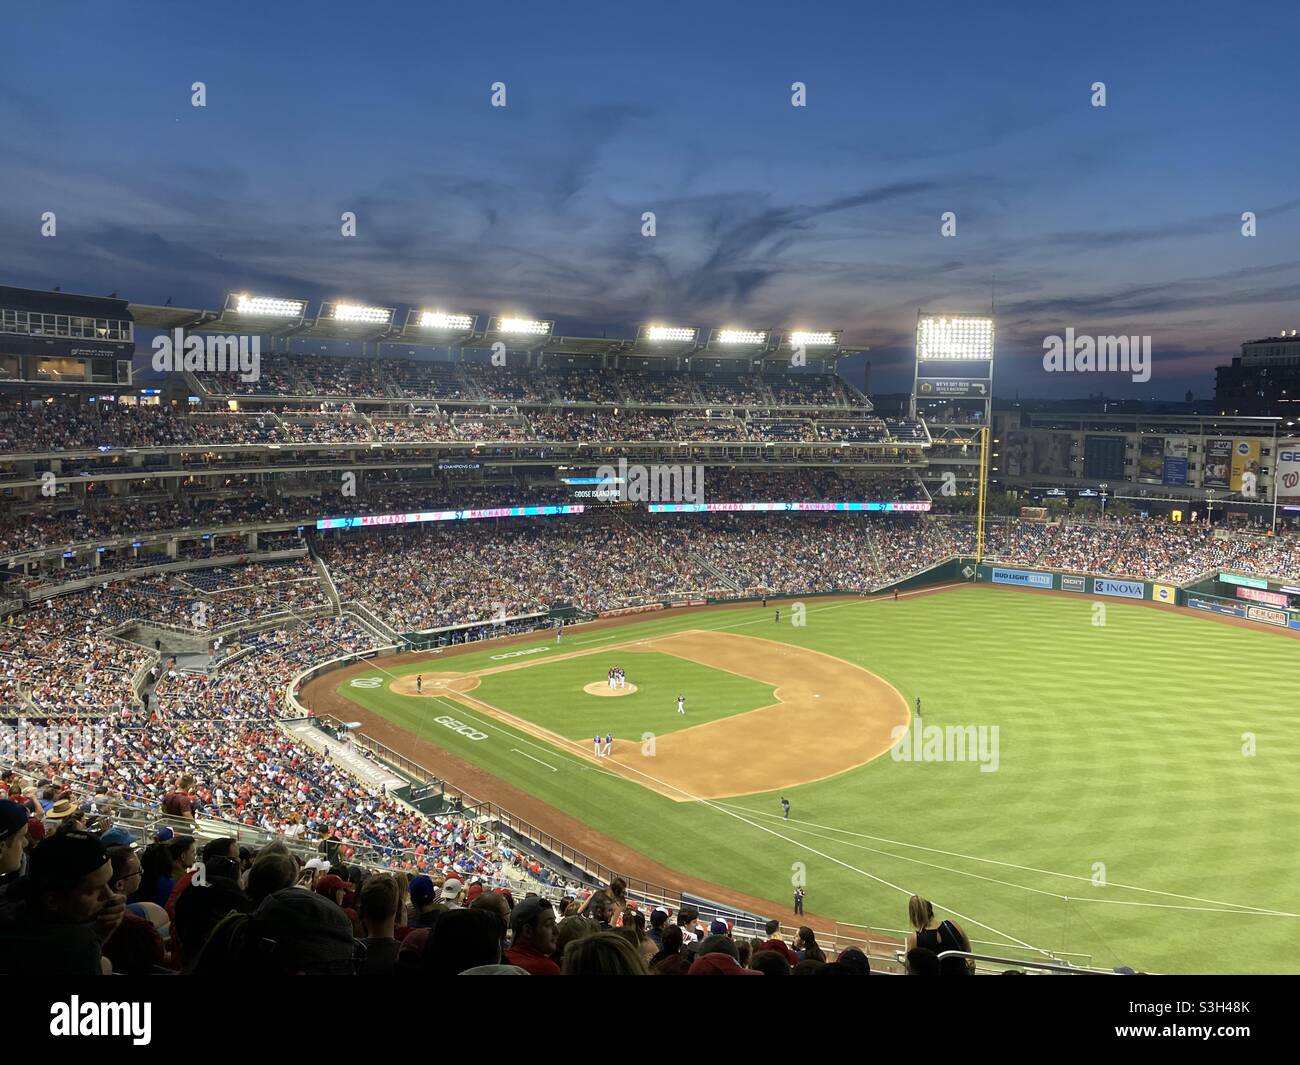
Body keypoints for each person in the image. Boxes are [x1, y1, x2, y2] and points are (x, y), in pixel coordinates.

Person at [906, 895, 973, 975]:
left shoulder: (915, 938)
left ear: (913, 916)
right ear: (931, 909)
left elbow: (909, 966)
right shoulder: (953, 924)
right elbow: (968, 950)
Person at [504, 896, 560, 975]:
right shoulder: (547, 969)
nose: (557, 931)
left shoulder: (500, 958)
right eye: (549, 924)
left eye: (555, 923)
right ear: (527, 931)